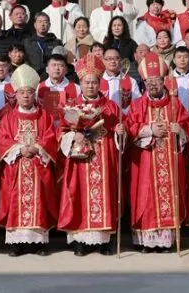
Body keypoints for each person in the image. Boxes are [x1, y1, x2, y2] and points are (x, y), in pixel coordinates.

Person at [57, 54, 124, 256]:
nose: (91, 86)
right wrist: (73, 135)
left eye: (94, 82)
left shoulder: (110, 106)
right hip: (81, 160)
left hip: (104, 157)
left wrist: (121, 132)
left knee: (105, 196)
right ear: (80, 82)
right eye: (87, 82)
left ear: (99, 83)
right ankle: (80, 241)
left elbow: (119, 128)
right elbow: (60, 131)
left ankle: (104, 241)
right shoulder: (71, 106)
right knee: (80, 195)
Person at [124, 51, 189, 253]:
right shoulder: (138, 105)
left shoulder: (174, 104)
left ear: (164, 81)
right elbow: (130, 128)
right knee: (146, 197)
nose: (153, 84)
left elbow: (187, 124)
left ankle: (166, 241)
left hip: (169, 161)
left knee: (169, 196)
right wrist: (149, 130)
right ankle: (146, 241)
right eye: (149, 80)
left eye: (157, 80)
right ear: (143, 82)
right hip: (145, 162)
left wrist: (181, 131)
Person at [0, 63, 58, 256]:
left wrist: (37, 148)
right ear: (16, 94)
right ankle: (17, 244)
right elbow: (3, 138)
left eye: (29, 93)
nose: (25, 96)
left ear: (34, 94)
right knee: (14, 200)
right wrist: (20, 149)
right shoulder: (9, 117)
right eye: (22, 92)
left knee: (39, 200)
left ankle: (38, 243)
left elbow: (50, 137)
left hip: (38, 165)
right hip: (16, 166)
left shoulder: (45, 116)